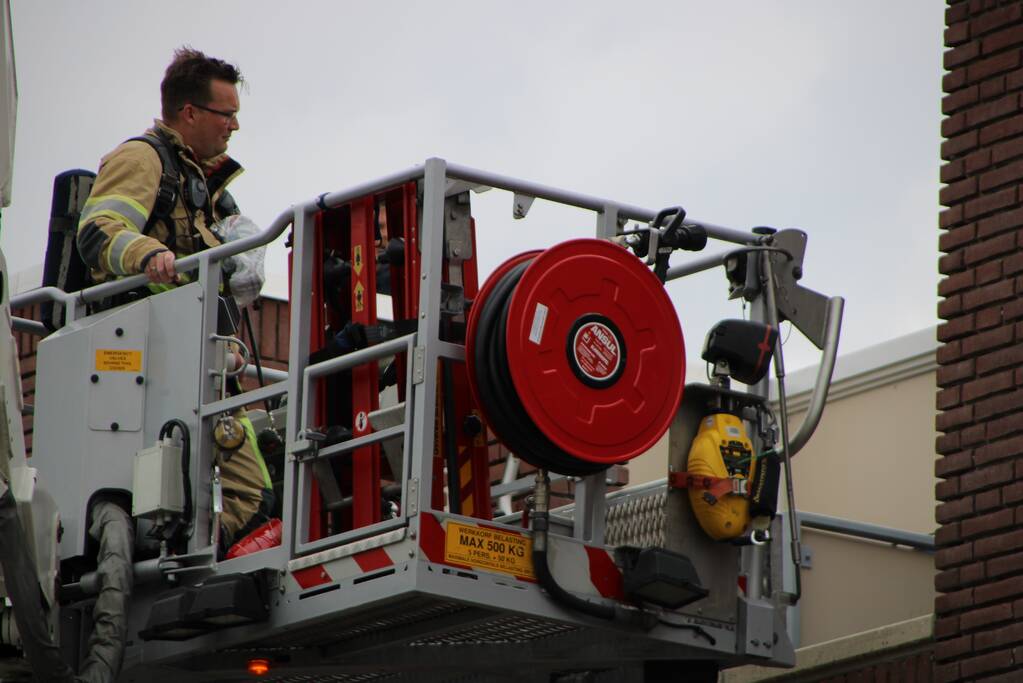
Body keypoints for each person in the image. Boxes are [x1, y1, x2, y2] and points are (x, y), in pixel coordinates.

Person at [76, 47, 274, 552]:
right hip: (154, 348)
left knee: (254, 493)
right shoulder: (142, 158)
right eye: (225, 114)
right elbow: (97, 231)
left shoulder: (203, 184)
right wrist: (147, 253)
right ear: (189, 112)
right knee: (244, 492)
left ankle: (187, 556)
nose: (233, 127)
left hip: (197, 355)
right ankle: (177, 558)